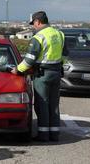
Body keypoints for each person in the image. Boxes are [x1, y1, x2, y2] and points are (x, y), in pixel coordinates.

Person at [11, 11, 66, 142]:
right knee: (54, 104)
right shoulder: (59, 34)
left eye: (33, 24)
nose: (33, 26)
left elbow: (29, 60)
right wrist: (59, 64)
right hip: (56, 72)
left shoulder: (38, 37)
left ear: (38, 22)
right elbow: (65, 55)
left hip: (42, 74)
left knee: (42, 104)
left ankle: (43, 135)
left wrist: (17, 70)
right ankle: (54, 134)